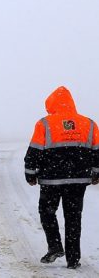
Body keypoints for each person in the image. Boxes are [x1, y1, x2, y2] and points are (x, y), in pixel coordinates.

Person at [24, 86, 99, 269]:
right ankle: (73, 259)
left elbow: (34, 151)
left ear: (51, 104)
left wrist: (30, 173)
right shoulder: (89, 123)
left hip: (51, 179)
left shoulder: (45, 123)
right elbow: (97, 152)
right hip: (78, 180)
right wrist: (96, 173)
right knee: (74, 217)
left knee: (47, 212)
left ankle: (55, 246)